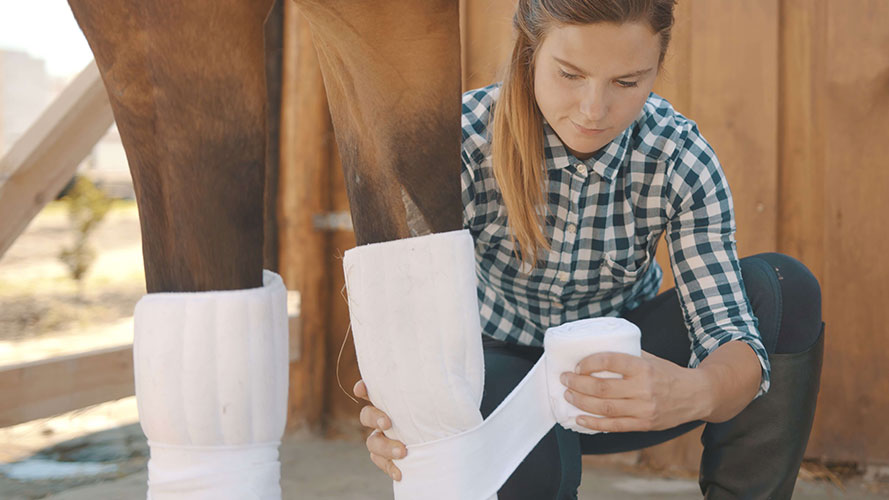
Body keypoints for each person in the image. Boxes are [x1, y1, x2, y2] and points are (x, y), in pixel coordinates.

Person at [353, 0, 824, 498]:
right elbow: (408, 326)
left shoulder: (678, 156)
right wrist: (405, 414)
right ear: (530, 51)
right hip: (494, 376)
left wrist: (693, 392)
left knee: (784, 287)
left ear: (657, 68)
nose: (594, 110)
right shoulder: (459, 143)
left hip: (620, 377)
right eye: (570, 75)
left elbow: (727, 329)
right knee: (508, 416)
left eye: (626, 82)